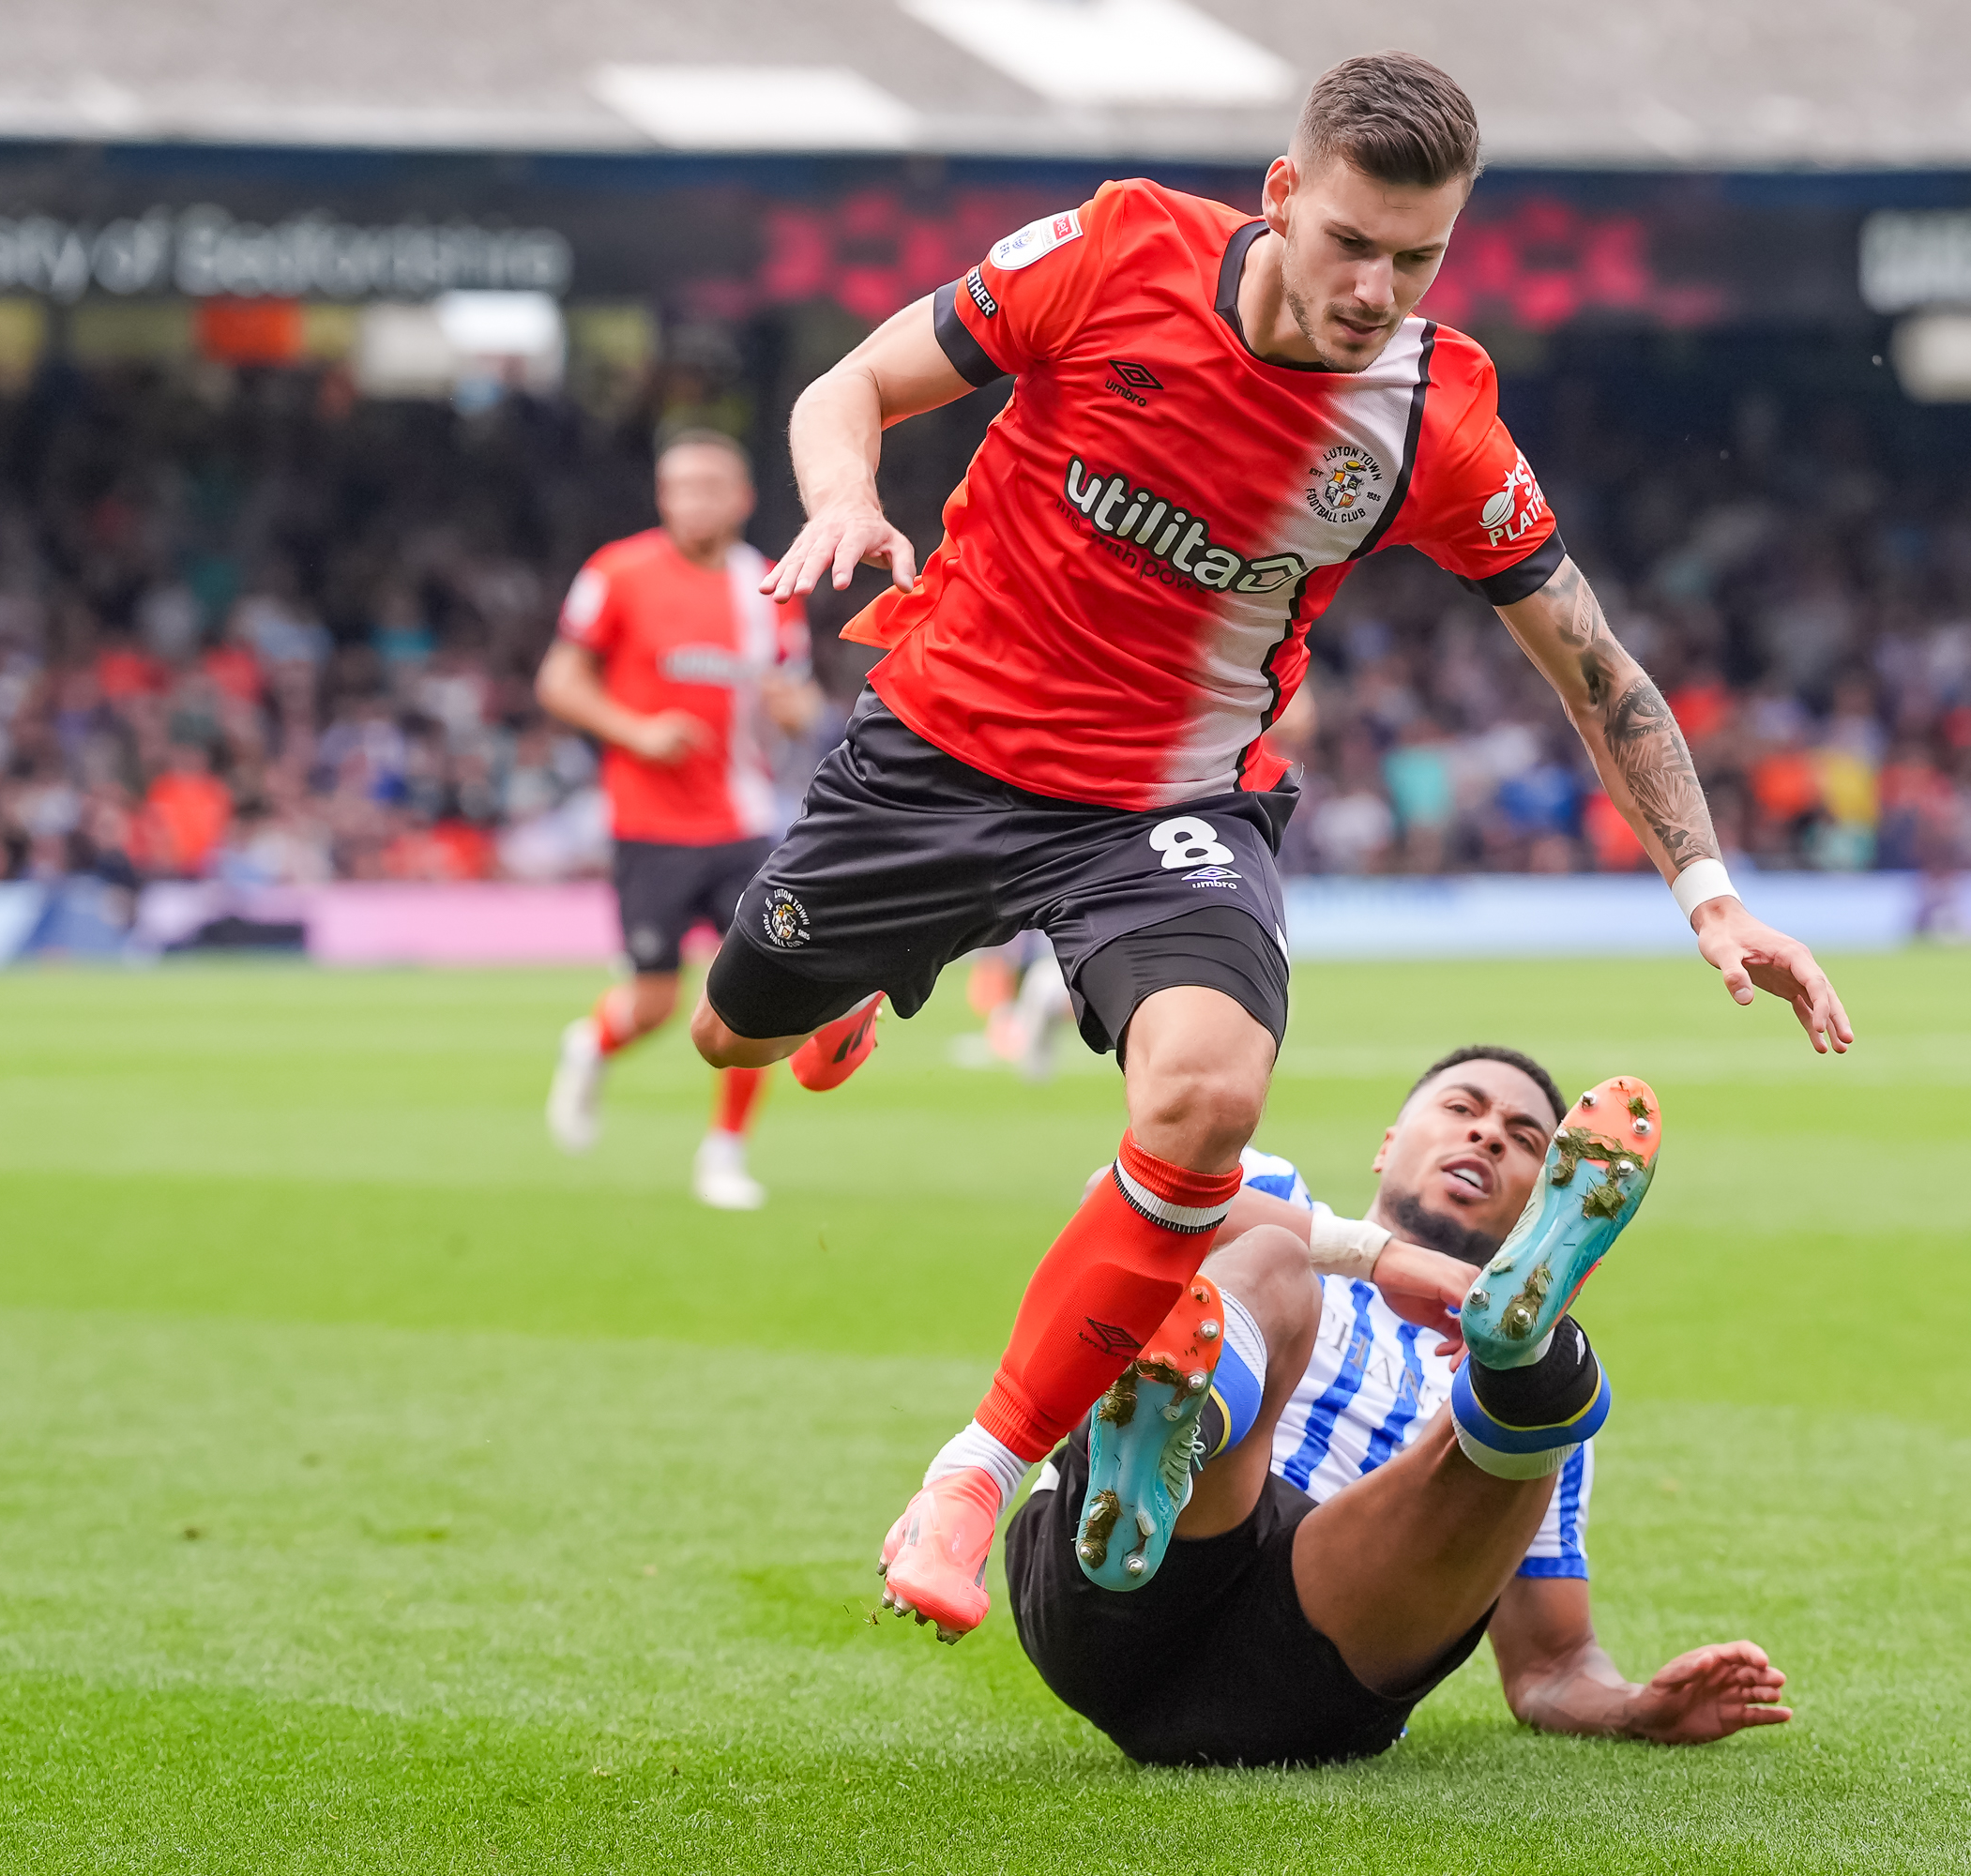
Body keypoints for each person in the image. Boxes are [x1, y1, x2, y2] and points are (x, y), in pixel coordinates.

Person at [690, 51, 1854, 1639]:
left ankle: (975, 1474)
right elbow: (850, 386)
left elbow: (1597, 671)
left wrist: (1711, 897)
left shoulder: (1432, 422)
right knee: (731, 1033)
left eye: (1418, 258)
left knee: (1208, 1097)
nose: (1377, 291)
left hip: (1162, 805)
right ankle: (839, 1001)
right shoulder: (1115, 253)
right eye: (1351, 244)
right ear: (1284, 195)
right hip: (937, 756)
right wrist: (841, 497)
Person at [1000, 1045, 1794, 1764]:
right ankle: (1157, 1450)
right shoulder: (1278, 1193)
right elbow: (1114, 1206)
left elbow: (1552, 1664)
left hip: (1315, 1649)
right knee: (1275, 1258)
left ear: (1536, 1202)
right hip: (1136, 1557)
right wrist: (1379, 1259)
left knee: (1543, 1398)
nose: (1488, 1135)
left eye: (1524, 1139)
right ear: (1388, 1144)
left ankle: (1517, 1346)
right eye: (1462, 1108)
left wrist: (1637, 1708)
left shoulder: (1546, 1436)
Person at [538, 431, 824, 1210]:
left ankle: (724, 1154)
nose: (694, 500)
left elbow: (795, 697)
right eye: (680, 487)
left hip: (744, 821)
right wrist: (636, 732)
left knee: (759, 987)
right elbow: (559, 679)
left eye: (709, 486)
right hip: (649, 824)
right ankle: (591, 1044)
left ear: (742, 498)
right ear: (662, 498)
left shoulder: (771, 584)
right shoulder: (616, 573)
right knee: (655, 1004)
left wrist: (796, 710)